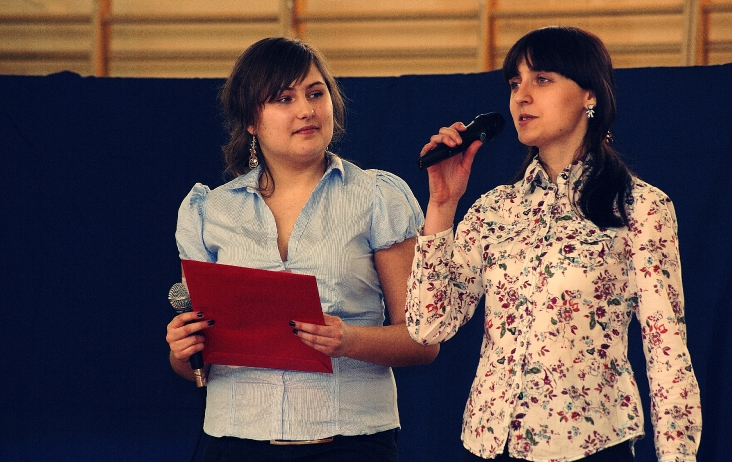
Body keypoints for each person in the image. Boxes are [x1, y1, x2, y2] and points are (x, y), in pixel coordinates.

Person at [405, 26, 701, 462]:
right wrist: (442, 205)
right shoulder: (496, 208)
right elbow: (427, 327)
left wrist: (678, 456)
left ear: (589, 94)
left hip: (591, 446)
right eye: (515, 83)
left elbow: (667, 351)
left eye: (542, 79)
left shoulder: (639, 207)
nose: (522, 96)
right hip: (490, 446)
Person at [166, 37, 439, 462]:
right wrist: (182, 351)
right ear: (250, 120)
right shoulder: (209, 211)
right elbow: (196, 365)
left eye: (315, 93)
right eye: (283, 98)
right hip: (235, 442)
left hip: (352, 444)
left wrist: (348, 339)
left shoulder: (377, 197)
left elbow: (422, 341)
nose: (306, 110)